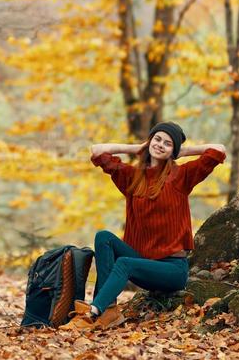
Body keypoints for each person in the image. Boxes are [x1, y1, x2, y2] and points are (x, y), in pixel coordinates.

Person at [64, 121, 227, 331]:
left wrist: (181, 151)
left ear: (173, 150)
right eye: (157, 139)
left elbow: (219, 151)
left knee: (124, 263)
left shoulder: (182, 176)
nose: (160, 145)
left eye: (167, 144)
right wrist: (135, 148)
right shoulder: (132, 177)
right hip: (143, 262)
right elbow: (96, 151)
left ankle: (93, 314)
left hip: (171, 270)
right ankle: (108, 310)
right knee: (103, 237)